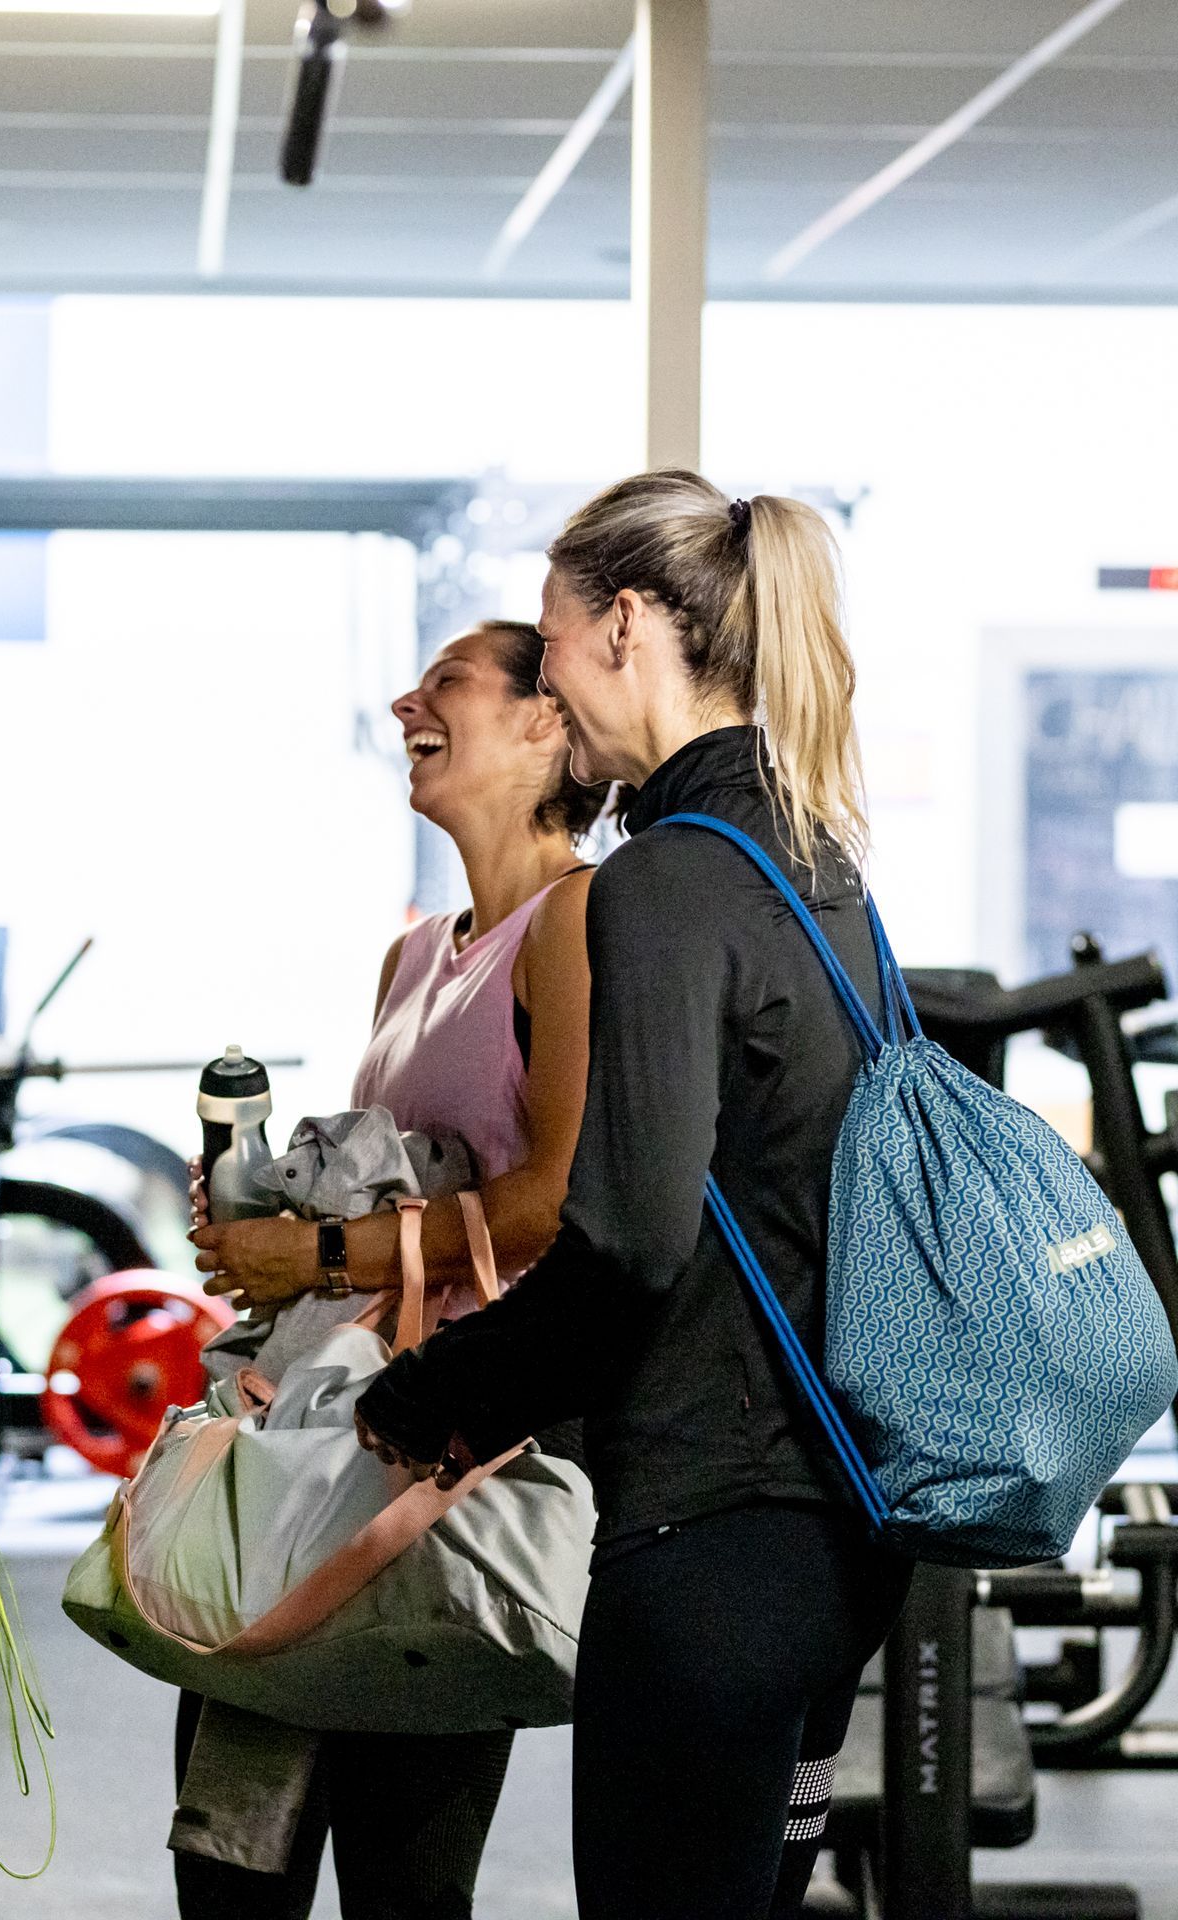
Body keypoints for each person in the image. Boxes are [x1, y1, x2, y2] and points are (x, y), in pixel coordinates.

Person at [355, 473, 916, 1920]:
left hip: (708, 1545)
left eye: (546, 642)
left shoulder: (663, 881)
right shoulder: (813, 862)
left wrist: (435, 1393)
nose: (547, 683)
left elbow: (633, 1242)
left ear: (622, 628)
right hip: (836, 1538)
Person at [179, 618, 605, 1920]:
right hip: (314, 1429)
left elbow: (550, 1201)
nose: (404, 701)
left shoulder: (572, 919)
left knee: (405, 1877)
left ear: (544, 723)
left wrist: (305, 1249)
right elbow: (412, 1183)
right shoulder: (412, 952)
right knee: (226, 1861)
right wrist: (277, 1222)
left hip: (442, 1451)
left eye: (449, 684)